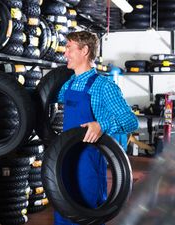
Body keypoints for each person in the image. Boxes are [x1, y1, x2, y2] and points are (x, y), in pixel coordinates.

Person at [56, 31, 139, 225]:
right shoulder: (68, 84)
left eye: (69, 48)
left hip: (89, 163)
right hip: (63, 159)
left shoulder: (103, 86)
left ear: (85, 50)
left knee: (86, 214)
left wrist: (102, 125)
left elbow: (130, 121)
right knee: (64, 214)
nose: (65, 53)